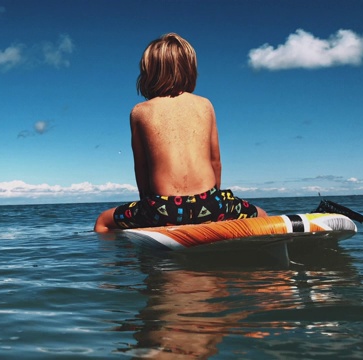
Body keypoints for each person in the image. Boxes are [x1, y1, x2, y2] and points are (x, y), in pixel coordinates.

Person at [94, 33, 266, 233]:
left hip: (162, 208)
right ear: (190, 69)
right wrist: (214, 203)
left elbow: (141, 167)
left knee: (102, 221)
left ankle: (132, 261)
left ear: (148, 73)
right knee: (261, 215)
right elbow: (215, 162)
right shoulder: (205, 105)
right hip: (210, 204)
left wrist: (147, 207)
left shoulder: (140, 111)